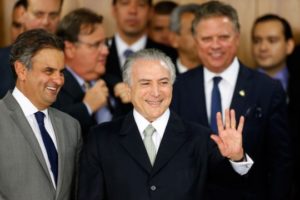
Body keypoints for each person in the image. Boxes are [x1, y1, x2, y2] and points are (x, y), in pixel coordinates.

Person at [78, 49, 253, 200]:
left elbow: (230, 191)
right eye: (145, 83)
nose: (156, 92)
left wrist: (237, 158)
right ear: (129, 89)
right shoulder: (101, 139)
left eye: (163, 82)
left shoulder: (200, 138)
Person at [171, 1, 292, 200]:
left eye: (223, 37)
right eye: (207, 38)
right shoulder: (177, 87)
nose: (215, 45)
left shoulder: (267, 89)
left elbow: (281, 162)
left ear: (237, 38)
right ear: (195, 40)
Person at [0, 29, 82, 200]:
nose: (59, 80)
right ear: (21, 70)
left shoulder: (71, 126)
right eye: (49, 71)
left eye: (61, 72)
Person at [251, 14, 300, 200]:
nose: (263, 47)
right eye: (257, 40)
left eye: (272, 40)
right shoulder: (240, 86)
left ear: (289, 45)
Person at [54, 8, 120, 140]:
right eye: (96, 45)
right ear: (70, 49)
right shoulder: (54, 86)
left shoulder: (115, 83)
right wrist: (87, 107)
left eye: (105, 43)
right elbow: (53, 129)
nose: (106, 51)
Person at [105, 0, 177, 109]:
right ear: (114, 10)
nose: (132, 11)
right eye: (125, 3)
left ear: (150, 12)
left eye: (141, 5)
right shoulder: (97, 53)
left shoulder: (170, 55)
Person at [0, 0, 63, 99]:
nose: (46, 22)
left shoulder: (69, 59)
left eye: (53, 15)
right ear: (22, 14)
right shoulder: (2, 61)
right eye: (39, 14)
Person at [169, 3, 202, 74]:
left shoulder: (218, 75)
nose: (202, 37)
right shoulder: (163, 75)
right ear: (174, 38)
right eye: (193, 31)